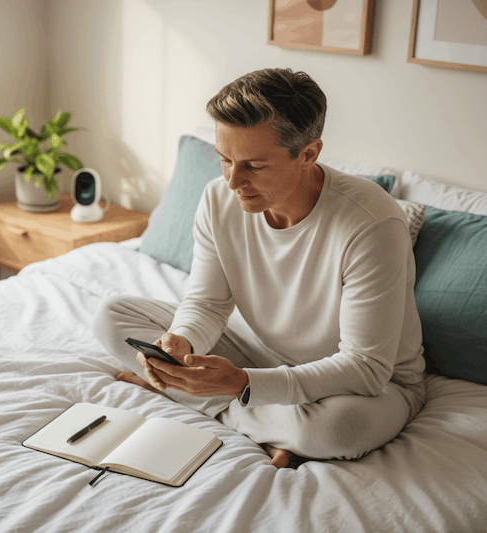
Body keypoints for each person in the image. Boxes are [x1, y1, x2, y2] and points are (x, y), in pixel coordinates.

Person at [92, 68, 426, 468]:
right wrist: (182, 341)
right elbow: (207, 303)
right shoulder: (219, 200)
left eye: (254, 166)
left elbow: (366, 367)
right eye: (225, 160)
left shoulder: (372, 224)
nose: (234, 181)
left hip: (366, 384)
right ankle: (264, 426)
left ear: (308, 154)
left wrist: (242, 383)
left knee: (336, 429)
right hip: (260, 355)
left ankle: (202, 401)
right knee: (112, 317)